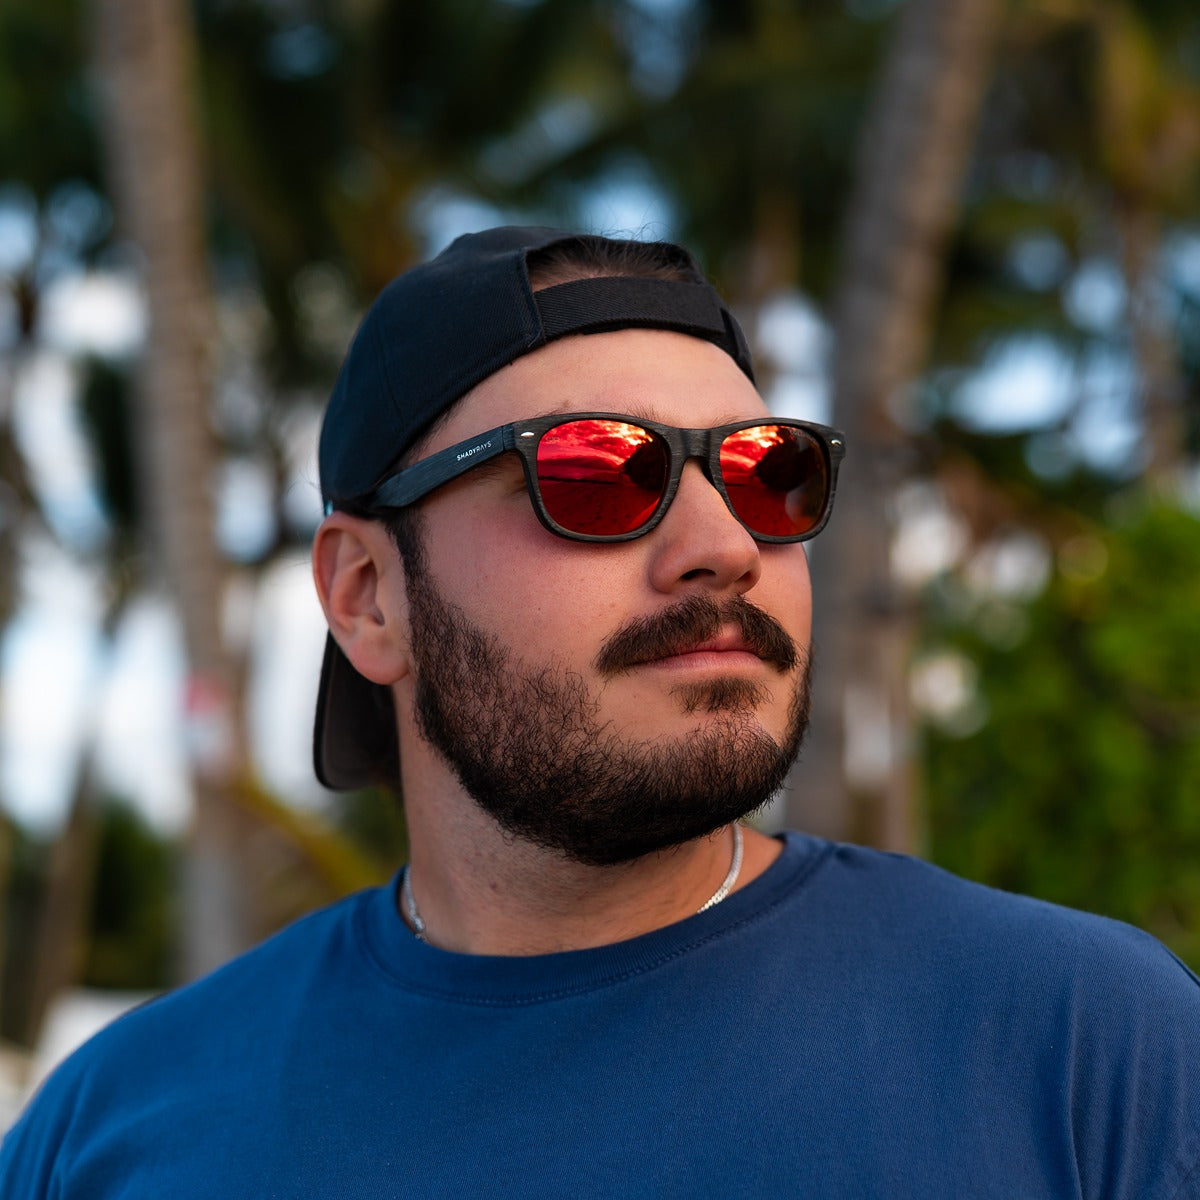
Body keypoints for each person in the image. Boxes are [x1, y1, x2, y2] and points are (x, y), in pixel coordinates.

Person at [2, 226, 1198, 1198]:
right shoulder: (116, 1131)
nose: (725, 547)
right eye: (595, 471)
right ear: (367, 597)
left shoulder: (1082, 1048)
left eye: (770, 473)